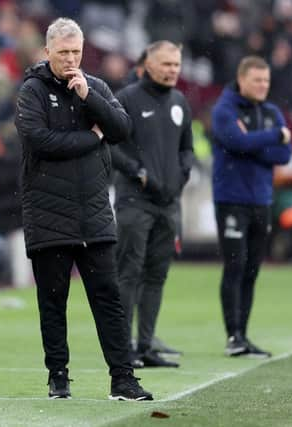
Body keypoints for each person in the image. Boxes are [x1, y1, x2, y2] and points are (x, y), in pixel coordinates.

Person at [14, 17, 152, 401]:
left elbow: (122, 129)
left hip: (92, 212)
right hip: (47, 213)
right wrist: (92, 140)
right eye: (63, 52)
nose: (71, 58)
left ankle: (122, 379)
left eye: (76, 51)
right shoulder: (32, 92)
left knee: (108, 299)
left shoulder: (97, 87)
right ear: (47, 52)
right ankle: (58, 376)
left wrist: (89, 97)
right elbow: (40, 142)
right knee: (53, 300)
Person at [111, 41, 194, 368]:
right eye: (166, 63)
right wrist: (137, 172)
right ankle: (122, 348)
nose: (172, 69)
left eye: (176, 64)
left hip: (168, 203)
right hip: (135, 202)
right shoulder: (127, 99)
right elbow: (109, 144)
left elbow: (187, 147)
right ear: (146, 64)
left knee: (156, 276)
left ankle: (145, 345)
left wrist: (184, 172)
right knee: (128, 274)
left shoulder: (179, 102)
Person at [211, 56, 292, 358]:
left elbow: (284, 155)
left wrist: (252, 143)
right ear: (241, 79)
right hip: (231, 199)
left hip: (262, 200)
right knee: (234, 266)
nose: (262, 86)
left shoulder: (271, 111)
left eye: (266, 81)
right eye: (257, 80)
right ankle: (232, 336)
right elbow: (235, 141)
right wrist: (271, 139)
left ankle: (243, 335)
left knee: (252, 270)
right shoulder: (224, 109)